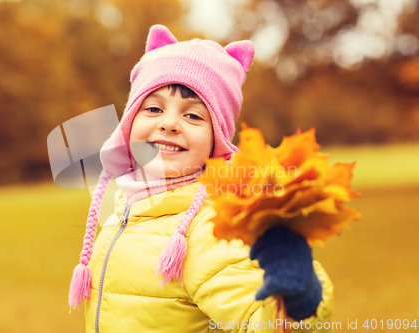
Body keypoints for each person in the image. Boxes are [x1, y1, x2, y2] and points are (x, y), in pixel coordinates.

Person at [68, 24, 334, 332]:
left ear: (216, 141)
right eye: (153, 108)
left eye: (193, 115)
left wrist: (298, 303)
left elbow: (263, 322)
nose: (169, 123)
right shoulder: (128, 207)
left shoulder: (209, 230)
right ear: (129, 123)